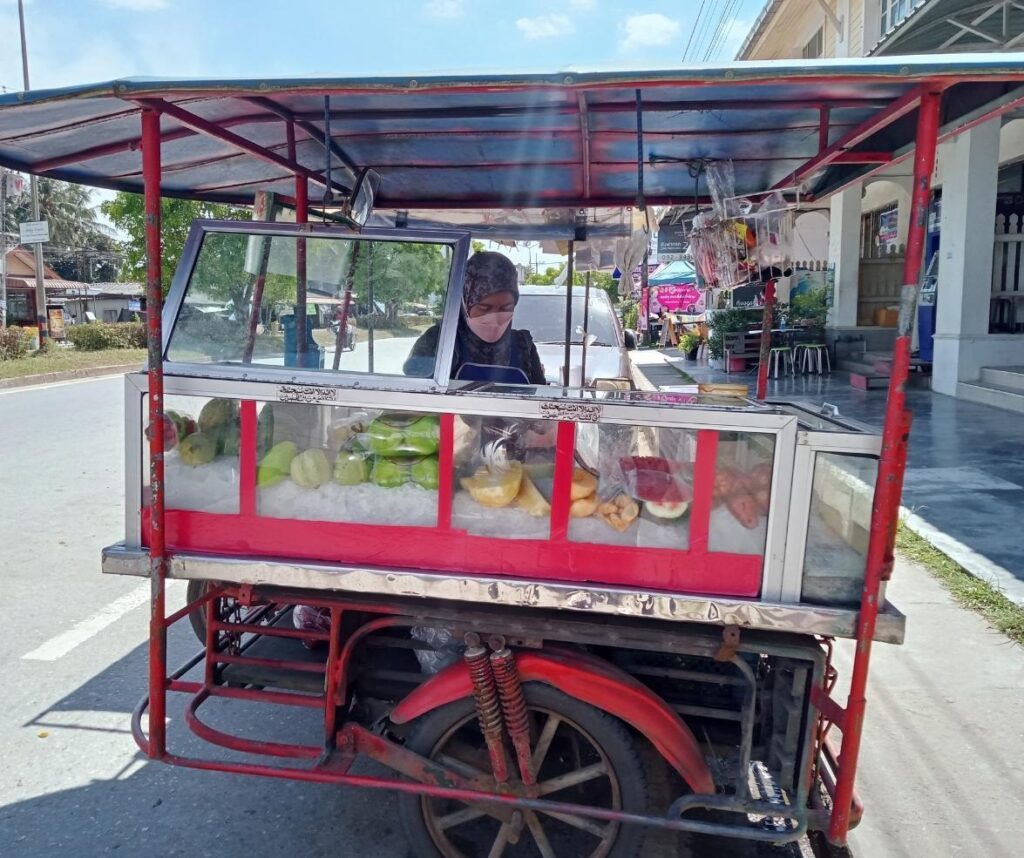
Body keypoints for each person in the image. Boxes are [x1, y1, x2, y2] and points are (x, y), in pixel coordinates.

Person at [405, 251, 546, 384]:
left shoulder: (523, 346)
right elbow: (416, 396)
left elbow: (539, 399)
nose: (495, 319)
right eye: (485, 308)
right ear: (465, 304)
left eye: (506, 308)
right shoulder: (439, 341)